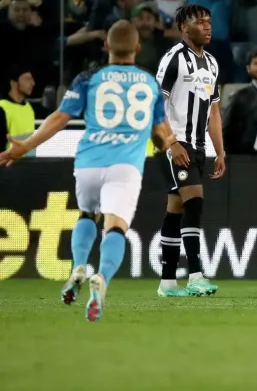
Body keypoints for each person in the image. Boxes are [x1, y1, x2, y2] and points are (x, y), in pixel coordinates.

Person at [0, 21, 171, 322]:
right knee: (115, 227)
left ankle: (79, 264)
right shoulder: (149, 83)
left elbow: (59, 118)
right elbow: (161, 132)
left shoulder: (88, 78)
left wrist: (25, 146)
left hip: (89, 163)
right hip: (125, 166)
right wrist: (164, 144)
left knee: (86, 214)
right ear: (138, 48)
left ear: (106, 46)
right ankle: (101, 277)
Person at [154, 5, 226, 298]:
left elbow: (214, 111)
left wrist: (220, 151)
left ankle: (167, 283)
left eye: (209, 22)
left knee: (176, 209)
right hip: (174, 144)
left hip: (198, 146)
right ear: (184, 27)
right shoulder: (173, 59)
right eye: (200, 22)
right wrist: (171, 143)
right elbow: (157, 106)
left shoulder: (211, 63)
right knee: (194, 201)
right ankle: (195, 275)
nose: (207, 27)